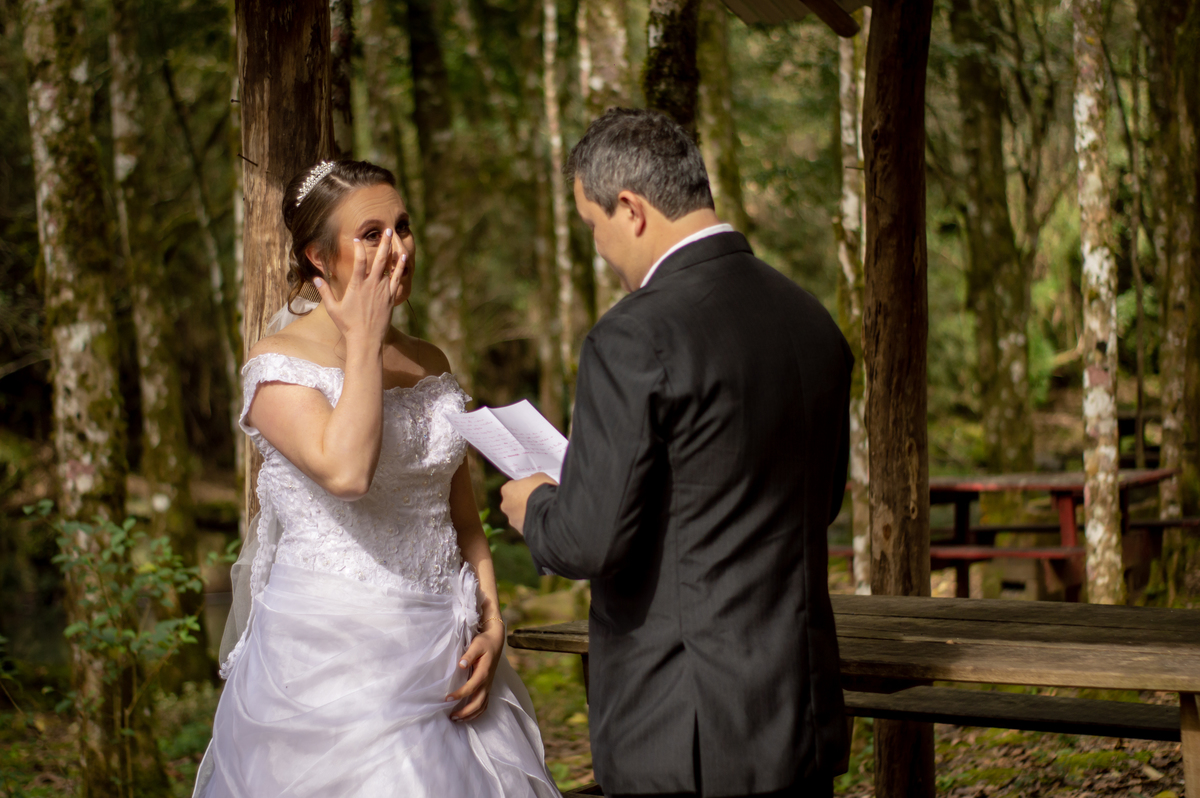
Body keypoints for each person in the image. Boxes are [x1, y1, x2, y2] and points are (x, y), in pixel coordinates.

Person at [500, 109, 852, 798]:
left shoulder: (633, 336)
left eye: (593, 227)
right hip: (796, 708)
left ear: (630, 209)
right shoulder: (810, 318)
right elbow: (824, 496)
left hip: (683, 722)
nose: (599, 250)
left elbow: (588, 539)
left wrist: (536, 503)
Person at [194, 160, 558, 798]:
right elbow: (347, 472)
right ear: (317, 256)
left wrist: (492, 623)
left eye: (404, 226)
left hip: (447, 651)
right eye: (372, 234)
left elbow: (463, 521)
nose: (398, 247)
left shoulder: (431, 361)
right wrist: (363, 340)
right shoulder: (279, 367)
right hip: (333, 661)